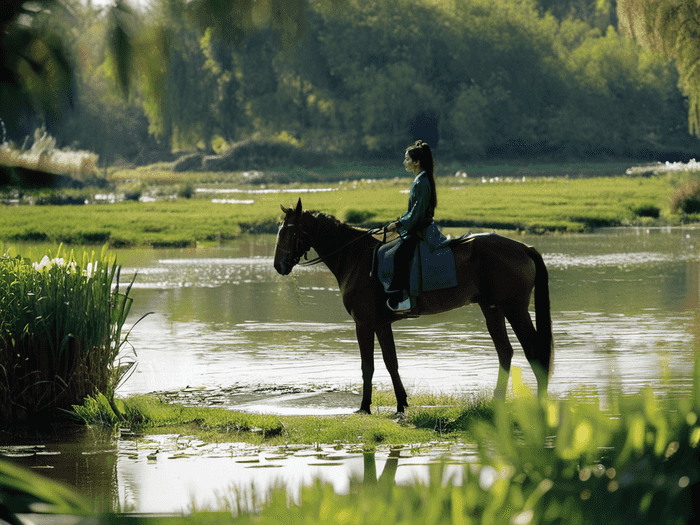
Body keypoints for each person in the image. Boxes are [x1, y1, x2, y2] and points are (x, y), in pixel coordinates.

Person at [385, 140, 438, 312]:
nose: (404, 162)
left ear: (416, 162)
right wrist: (399, 222)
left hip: (420, 230)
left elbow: (417, 214)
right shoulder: (420, 180)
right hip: (415, 227)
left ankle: (406, 300)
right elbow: (414, 211)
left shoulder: (422, 182)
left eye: (407, 159)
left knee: (399, 256)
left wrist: (399, 223)